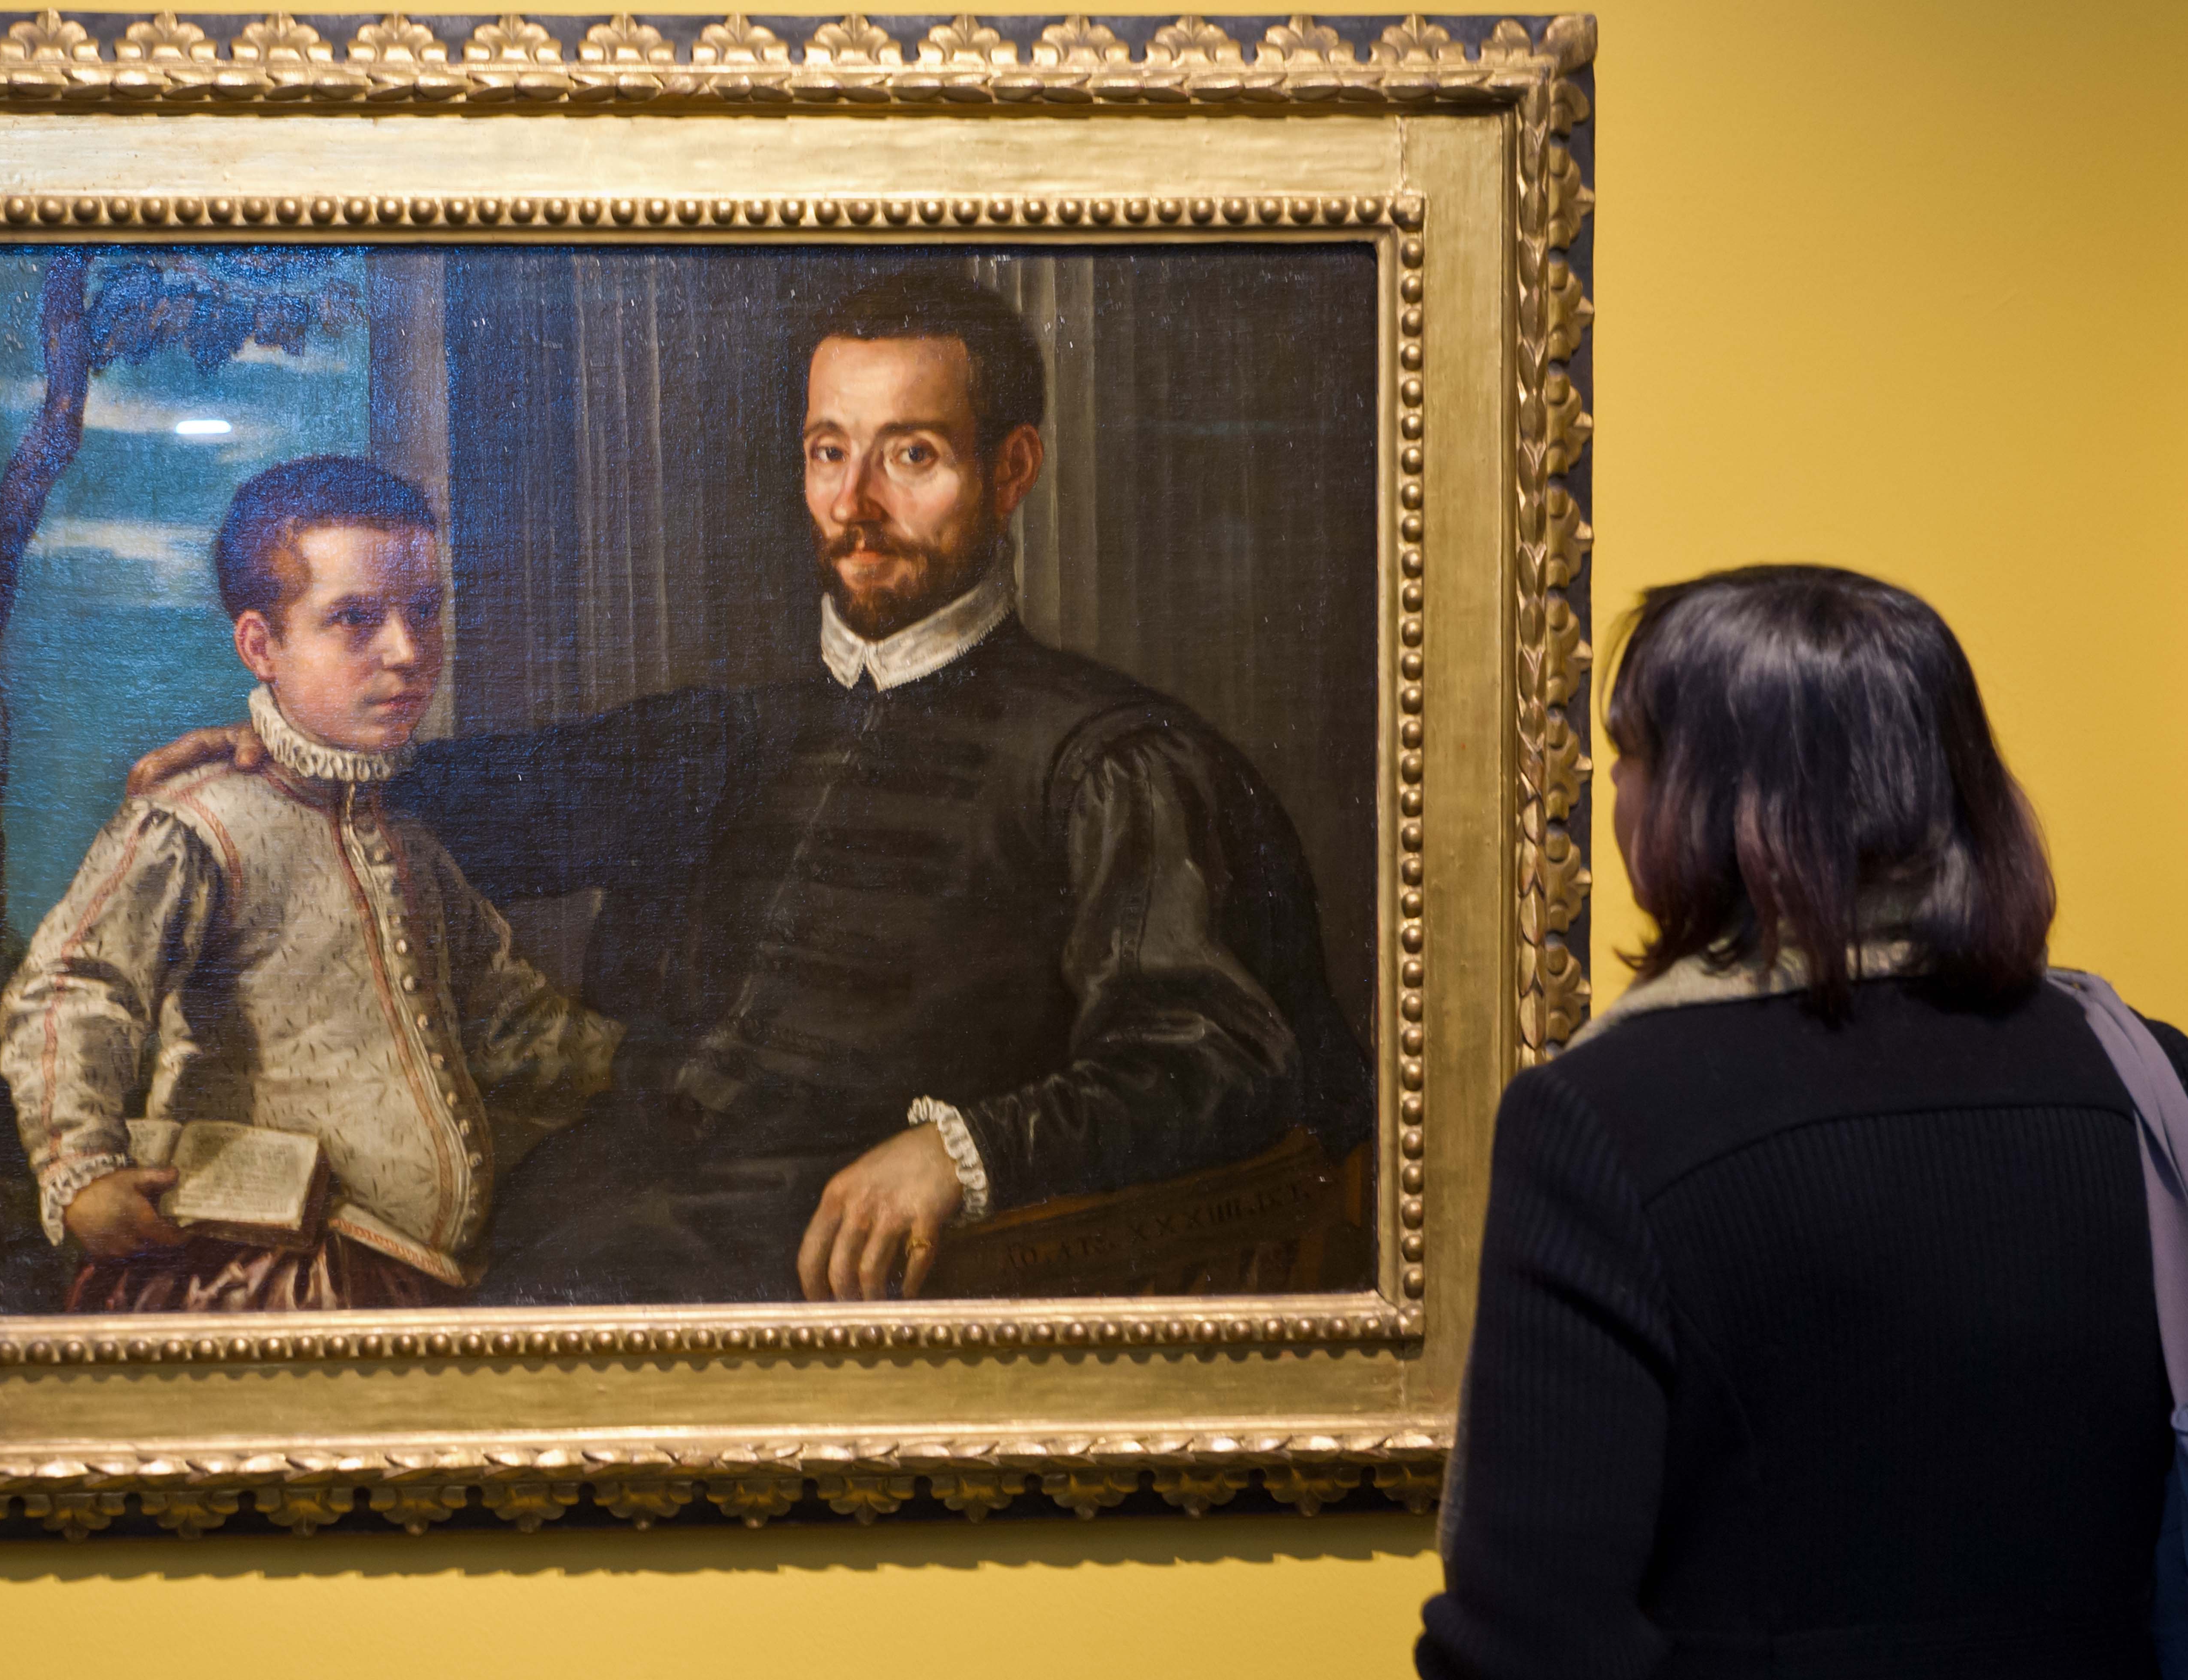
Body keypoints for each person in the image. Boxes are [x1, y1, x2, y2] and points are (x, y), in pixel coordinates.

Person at [128, 272, 1365, 1305]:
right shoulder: (727, 736)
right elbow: (468, 802)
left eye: (913, 455)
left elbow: (1221, 1056)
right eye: (830, 452)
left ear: (1013, 468)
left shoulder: (1111, 760)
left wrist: (962, 1150)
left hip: (830, 1276)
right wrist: (278, 760)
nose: (855, 504)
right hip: (590, 1205)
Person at [1417, 564, 2181, 1678]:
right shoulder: (2148, 1076)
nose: (1608, 784)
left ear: (1713, 805)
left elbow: (1531, 1636)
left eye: (1631, 753)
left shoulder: (1598, 1119)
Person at [2, 456, 621, 1312]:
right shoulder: (199, 820)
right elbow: (73, 986)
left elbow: (512, 1020)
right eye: (355, 619)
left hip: (412, 1282)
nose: (407, 651)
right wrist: (79, 1170)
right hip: (248, 1281)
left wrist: (653, 1078)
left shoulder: (407, 841)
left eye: (424, 610)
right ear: (261, 646)